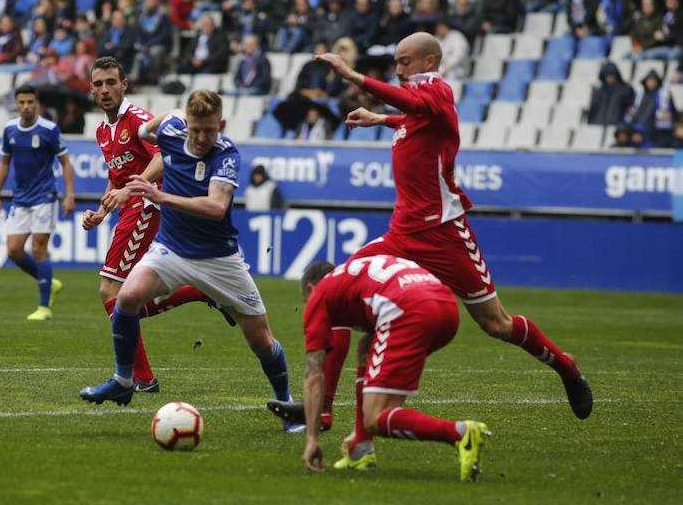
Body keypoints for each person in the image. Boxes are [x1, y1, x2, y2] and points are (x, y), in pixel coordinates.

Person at [267, 33, 592, 453]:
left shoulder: (436, 90)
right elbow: (411, 119)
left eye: (405, 62)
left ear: (430, 60)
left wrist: (354, 76)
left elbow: (419, 108)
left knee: (496, 323)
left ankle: (566, 366)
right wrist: (377, 120)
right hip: (402, 235)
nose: (399, 70)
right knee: (339, 293)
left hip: (444, 234)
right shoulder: (416, 108)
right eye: (396, 63)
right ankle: (324, 412)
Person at [79, 90, 303, 433]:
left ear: (222, 125)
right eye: (195, 129)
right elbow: (143, 133)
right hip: (171, 249)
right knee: (124, 298)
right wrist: (171, 114)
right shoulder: (172, 130)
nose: (200, 139)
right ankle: (125, 381)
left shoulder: (226, 153)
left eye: (208, 131)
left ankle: (286, 404)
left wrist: (162, 196)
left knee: (261, 340)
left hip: (220, 258)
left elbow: (216, 208)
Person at [81, 57, 228, 393]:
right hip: (129, 206)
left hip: (147, 205)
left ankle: (142, 378)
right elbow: (116, 176)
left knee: (111, 290)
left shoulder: (139, 120)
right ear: (90, 89)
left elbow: (164, 155)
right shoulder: (103, 130)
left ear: (124, 84)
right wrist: (102, 211)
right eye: (99, 84)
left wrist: (130, 190)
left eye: (111, 83)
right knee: (128, 296)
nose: (105, 90)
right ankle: (197, 291)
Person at [298, 256, 489, 480]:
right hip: (446, 306)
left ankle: (460, 433)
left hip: (409, 311)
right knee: (366, 347)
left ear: (312, 287)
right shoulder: (356, 272)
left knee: (375, 417)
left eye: (305, 300)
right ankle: (361, 447)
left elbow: (314, 373)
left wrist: (312, 438)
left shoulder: (319, 294)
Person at [0, 85, 76, 321]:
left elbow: (66, 163)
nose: (26, 106)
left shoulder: (49, 129)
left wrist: (70, 194)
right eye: (22, 102)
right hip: (20, 198)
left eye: (31, 102)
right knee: (14, 251)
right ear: (16, 105)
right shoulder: (9, 129)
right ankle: (50, 281)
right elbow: (4, 162)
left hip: (45, 196)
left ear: (37, 104)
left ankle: (44, 307)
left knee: (39, 248)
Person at [625, 70, 678, 148]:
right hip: (641, 130)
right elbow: (634, 111)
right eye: (649, 81)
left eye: (653, 81)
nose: (651, 83)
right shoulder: (640, 95)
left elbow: (672, 113)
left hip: (659, 132)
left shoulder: (664, 95)